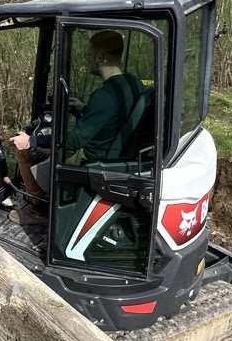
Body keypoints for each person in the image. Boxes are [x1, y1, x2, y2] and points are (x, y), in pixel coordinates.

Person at [8, 30, 143, 225]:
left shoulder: (105, 95)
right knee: (51, 136)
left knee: (24, 152)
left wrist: (31, 140)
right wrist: (83, 109)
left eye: (89, 55)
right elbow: (110, 120)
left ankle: (38, 208)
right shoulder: (132, 82)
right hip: (118, 150)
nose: (88, 60)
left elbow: (73, 141)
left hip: (95, 159)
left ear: (100, 57)